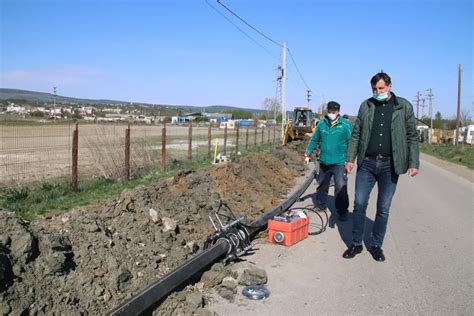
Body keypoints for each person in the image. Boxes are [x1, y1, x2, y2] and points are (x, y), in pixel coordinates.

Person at [344, 72, 419, 262]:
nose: (378, 92)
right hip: (367, 164)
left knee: (383, 207)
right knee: (359, 204)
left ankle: (376, 245)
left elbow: (412, 136)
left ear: (390, 86)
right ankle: (356, 243)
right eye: (374, 89)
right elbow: (356, 134)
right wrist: (350, 158)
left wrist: (413, 162)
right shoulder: (366, 106)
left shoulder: (403, 106)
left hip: (390, 165)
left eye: (381, 88)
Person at [304, 101, 353, 221]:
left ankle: (342, 211)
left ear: (338, 112)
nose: (332, 113)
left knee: (340, 186)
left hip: (339, 162)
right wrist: (307, 153)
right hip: (324, 161)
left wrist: (350, 160)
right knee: (322, 185)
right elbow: (314, 140)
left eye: (334, 112)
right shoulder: (321, 124)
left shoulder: (346, 125)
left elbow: (352, 143)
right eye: (330, 111)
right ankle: (321, 205)